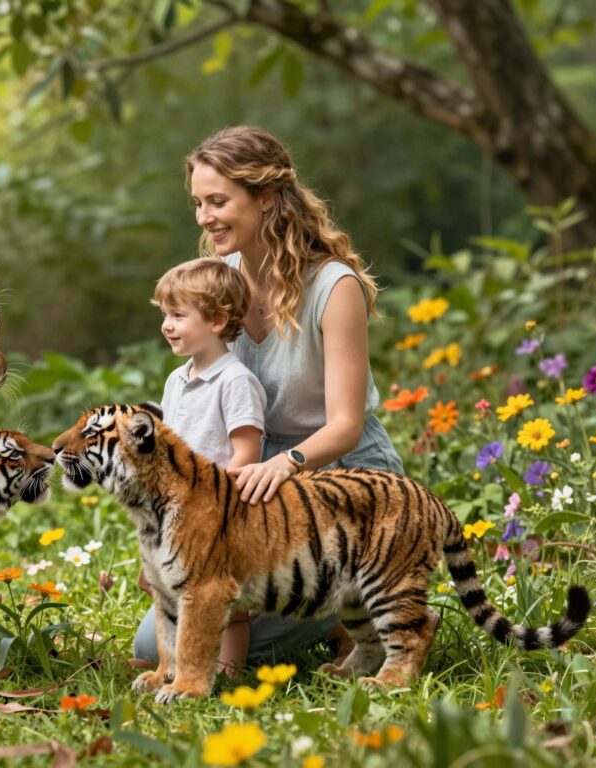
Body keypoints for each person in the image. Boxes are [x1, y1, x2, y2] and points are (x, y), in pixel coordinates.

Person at [133, 125, 404, 670]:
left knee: (223, 637)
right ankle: (333, 613)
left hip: (337, 484)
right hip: (250, 486)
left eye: (218, 201)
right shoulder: (218, 281)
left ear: (266, 198)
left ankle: (351, 598)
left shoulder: (333, 286)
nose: (204, 218)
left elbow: (346, 425)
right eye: (198, 203)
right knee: (153, 644)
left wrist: (283, 465)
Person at [141, 258, 267, 674]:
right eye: (165, 315)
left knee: (229, 601)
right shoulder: (177, 380)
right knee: (167, 588)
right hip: (176, 509)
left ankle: (229, 669)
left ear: (217, 320)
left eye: (178, 315)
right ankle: (176, 663)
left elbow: (246, 451)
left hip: (219, 510)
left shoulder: (235, 380)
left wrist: (220, 504)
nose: (167, 325)